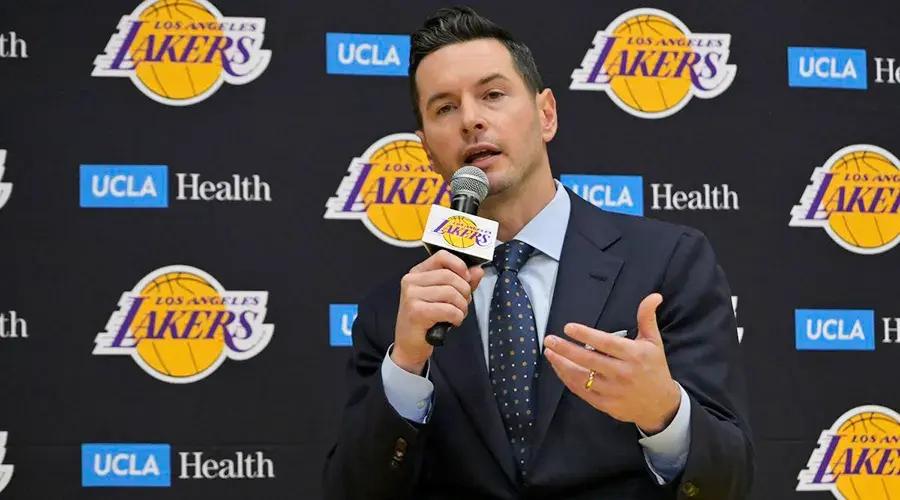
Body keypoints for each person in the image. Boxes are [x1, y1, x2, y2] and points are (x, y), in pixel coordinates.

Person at [324, 6, 753, 499]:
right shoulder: (396, 313)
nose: (471, 120)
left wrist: (663, 414)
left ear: (546, 114)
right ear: (425, 150)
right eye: (444, 108)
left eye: (492, 95)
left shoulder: (669, 263)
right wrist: (406, 365)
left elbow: (731, 480)